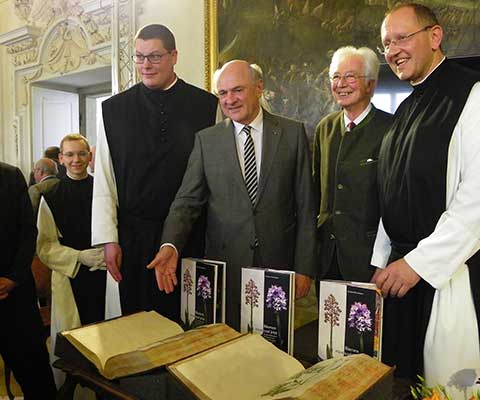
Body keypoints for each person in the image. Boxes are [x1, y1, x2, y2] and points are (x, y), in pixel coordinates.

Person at [371, 3, 480, 397]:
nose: (393, 50)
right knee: (406, 382)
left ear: (435, 36)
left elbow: (479, 203)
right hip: (403, 272)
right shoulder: (405, 108)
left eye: (402, 37)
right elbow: (393, 190)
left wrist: (415, 265)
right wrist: (383, 261)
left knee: (454, 384)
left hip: (452, 274)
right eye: (386, 43)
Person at [148, 60, 317, 330]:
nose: (230, 100)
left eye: (237, 90)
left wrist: (305, 268)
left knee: (275, 353)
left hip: (279, 267)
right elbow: (186, 202)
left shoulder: (292, 134)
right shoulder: (207, 140)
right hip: (227, 268)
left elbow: (306, 206)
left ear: (258, 88)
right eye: (223, 93)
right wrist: (170, 244)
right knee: (230, 352)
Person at [92, 24, 218, 322]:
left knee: (188, 324)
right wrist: (109, 239)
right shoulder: (113, 109)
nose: (145, 65)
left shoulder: (207, 106)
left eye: (154, 56)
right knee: (136, 326)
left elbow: (213, 179)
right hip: (132, 239)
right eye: (139, 57)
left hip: (190, 237)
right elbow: (105, 178)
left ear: (174, 56)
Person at [313, 46, 393, 283]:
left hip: (369, 261)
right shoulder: (324, 128)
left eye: (350, 76)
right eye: (336, 77)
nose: (341, 84)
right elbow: (317, 192)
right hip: (327, 259)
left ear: (370, 84)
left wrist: (384, 260)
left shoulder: (390, 129)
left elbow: (394, 204)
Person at [37, 134, 106, 386]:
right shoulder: (51, 196)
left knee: (106, 340)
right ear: (61, 159)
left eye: (81, 154)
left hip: (105, 274)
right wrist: (79, 256)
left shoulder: (104, 191)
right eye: (70, 154)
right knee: (76, 349)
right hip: (71, 276)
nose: (76, 160)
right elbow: (45, 246)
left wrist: (106, 254)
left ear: (89, 156)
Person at [0, 161, 57, 398]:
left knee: (36, 376)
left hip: (15, 293)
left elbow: (27, 231)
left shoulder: (10, 176)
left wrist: (13, 277)